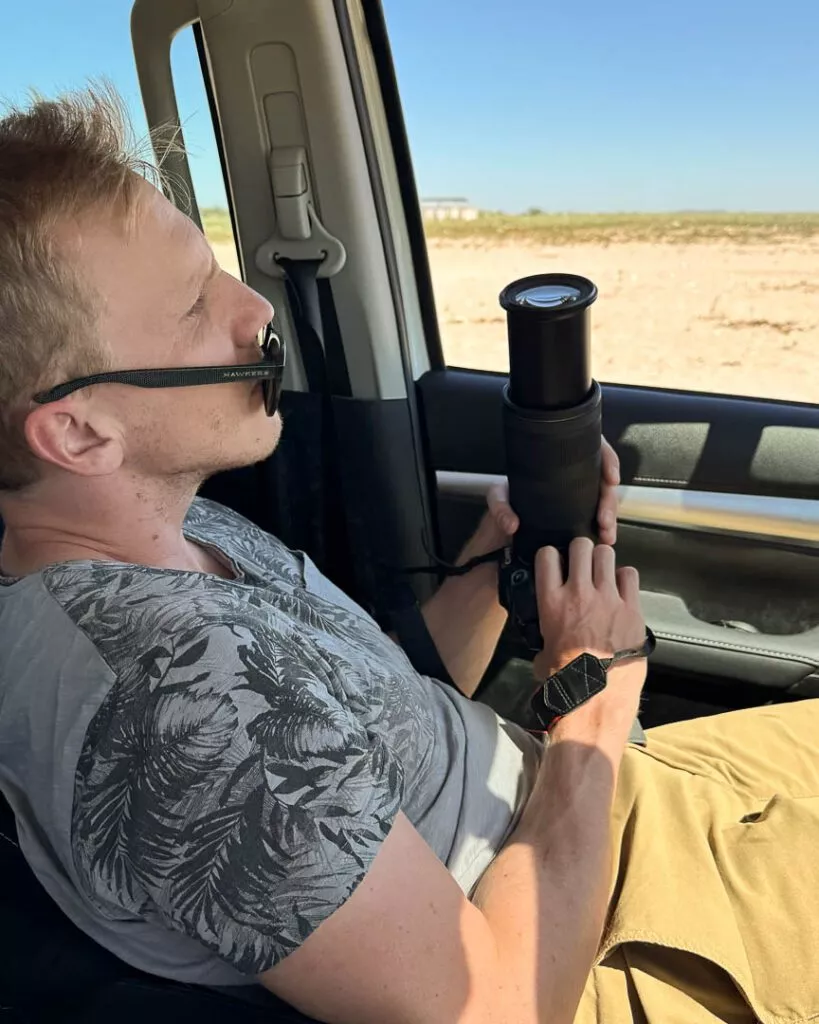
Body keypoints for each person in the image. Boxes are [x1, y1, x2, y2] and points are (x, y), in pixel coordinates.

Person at [0, 86, 817, 1024]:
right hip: (602, 927)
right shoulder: (177, 702)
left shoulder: (182, 531)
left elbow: (375, 706)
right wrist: (592, 701)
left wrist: (496, 562)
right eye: (192, 307)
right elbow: (502, 1007)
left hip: (593, 812)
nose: (251, 307)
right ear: (79, 433)